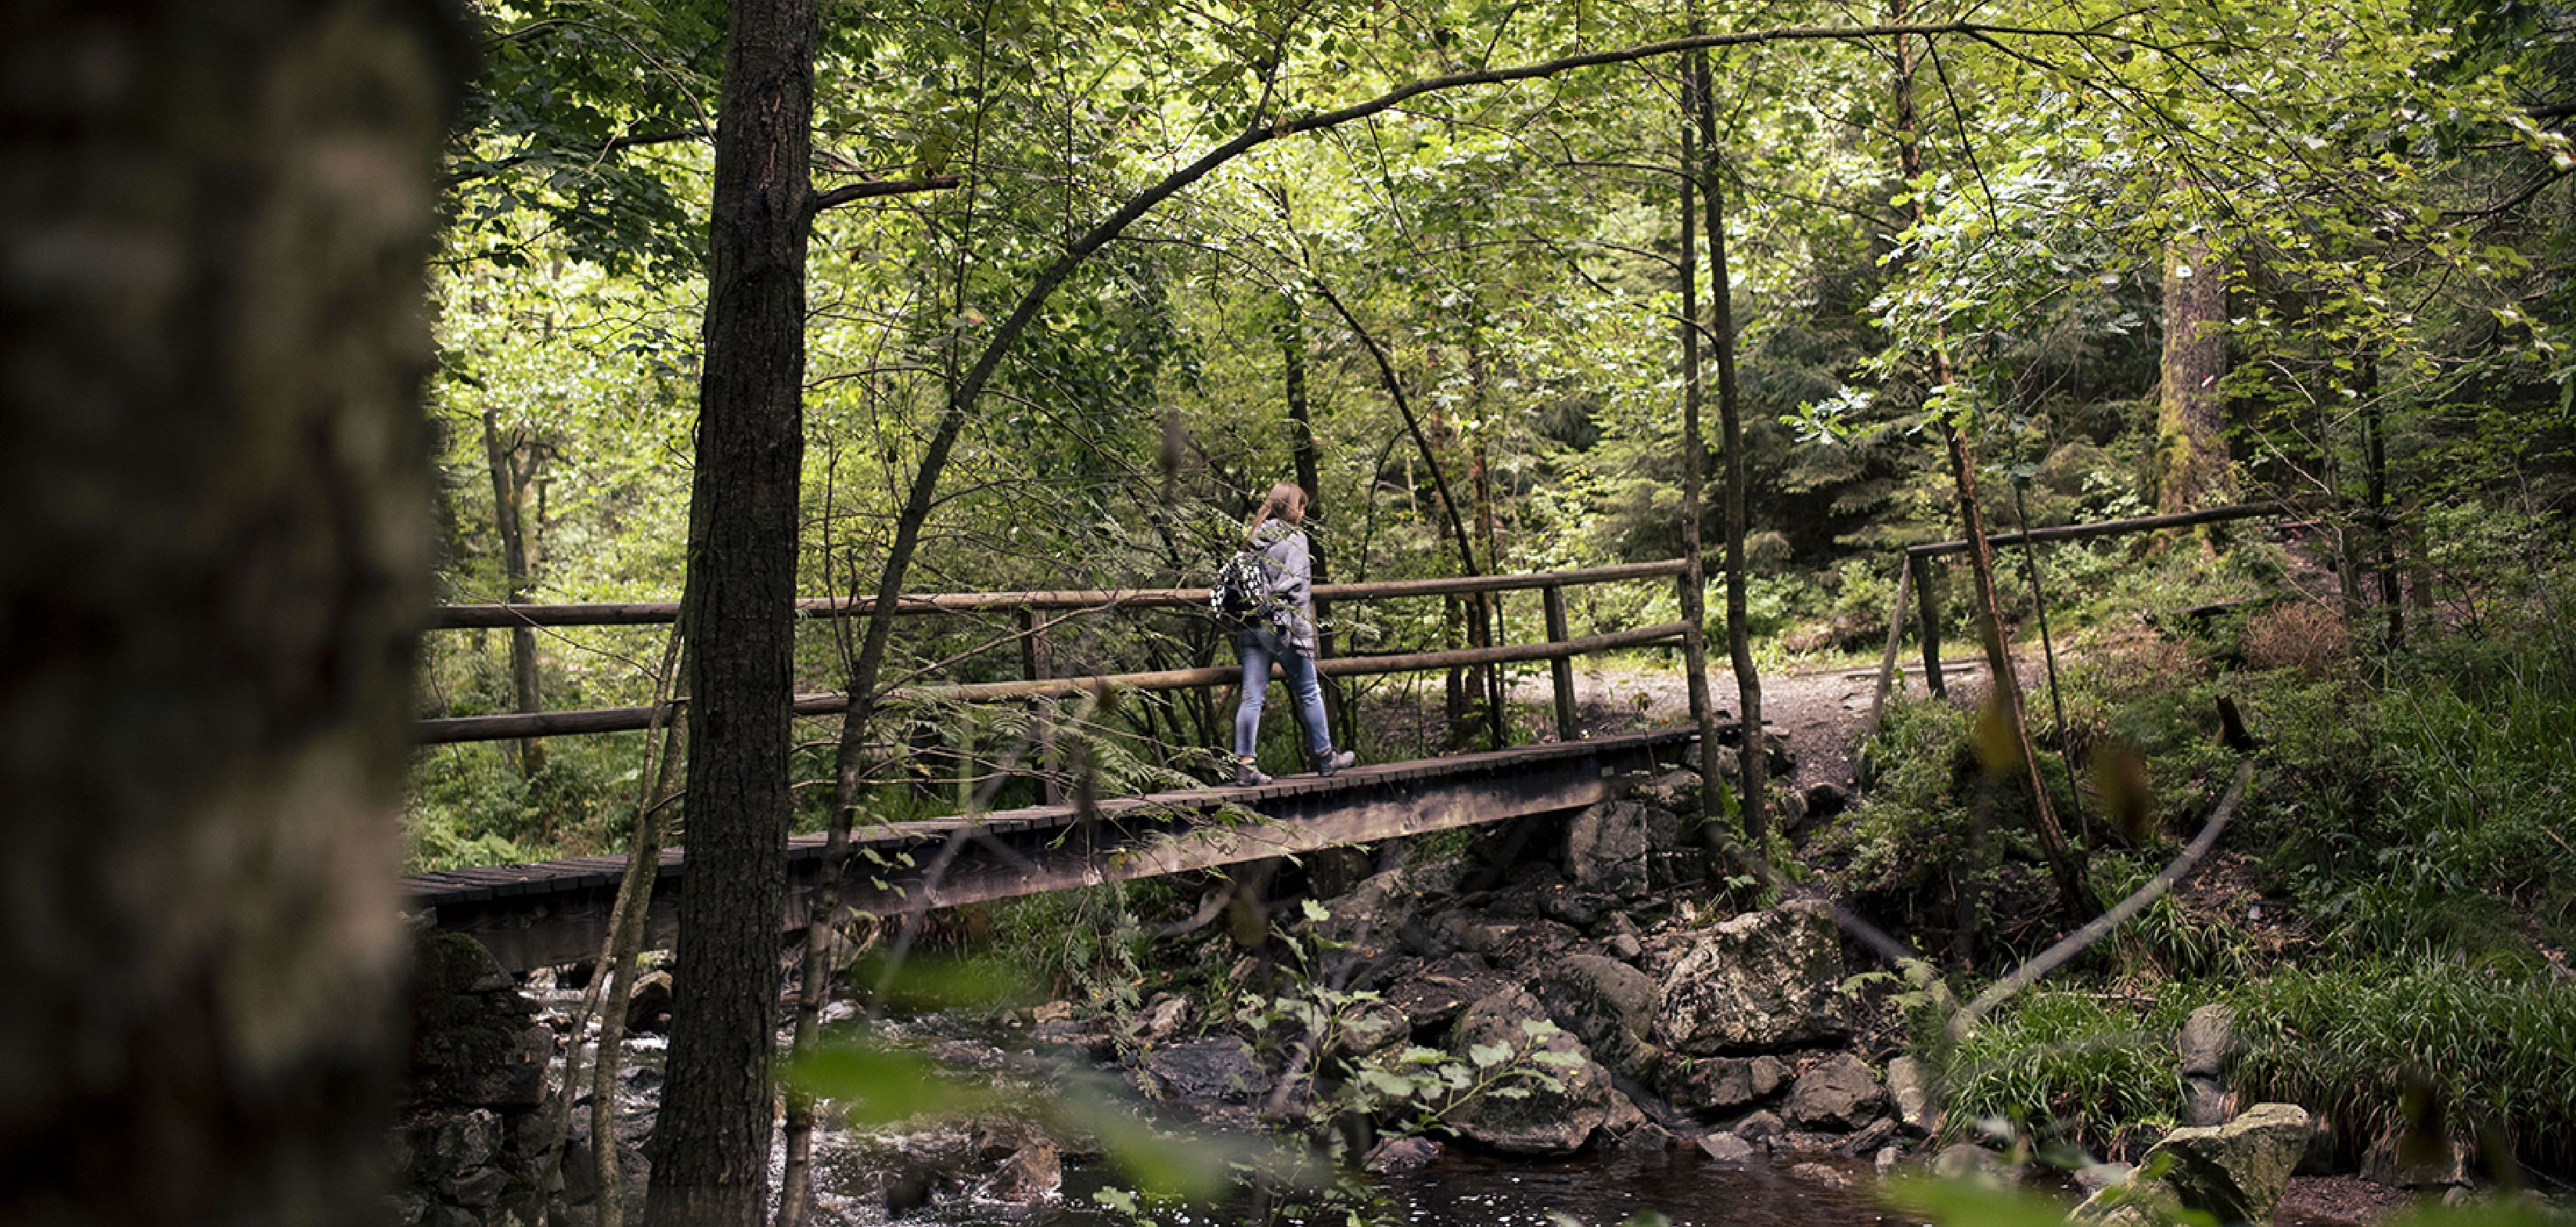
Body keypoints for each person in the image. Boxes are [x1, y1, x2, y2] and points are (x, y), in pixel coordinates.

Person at [1231, 482, 1355, 787]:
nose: (1303, 513)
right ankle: (1325, 758)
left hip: (1251, 626)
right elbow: (1295, 586)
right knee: (1309, 691)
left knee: (1252, 696)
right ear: (1292, 509)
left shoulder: (1254, 537)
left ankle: (1245, 764)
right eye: (1302, 507)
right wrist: (1292, 626)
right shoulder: (1296, 538)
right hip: (1285, 626)